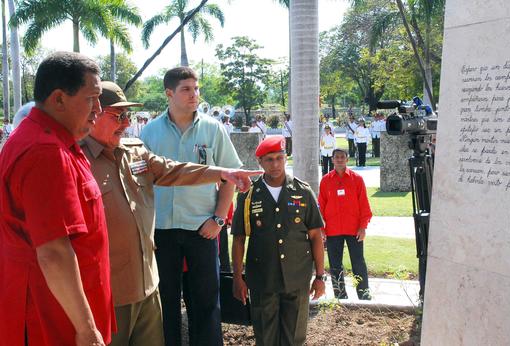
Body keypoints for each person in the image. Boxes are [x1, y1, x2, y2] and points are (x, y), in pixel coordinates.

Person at [81, 81, 260, 346]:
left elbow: (174, 170)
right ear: (93, 114)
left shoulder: (133, 151)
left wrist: (221, 173)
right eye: (119, 116)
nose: (127, 123)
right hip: (111, 291)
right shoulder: (76, 159)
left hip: (147, 285)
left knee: (199, 308)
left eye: (128, 116)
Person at [0, 51, 115, 345]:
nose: (98, 109)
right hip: (53, 322)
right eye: (91, 98)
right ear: (59, 99)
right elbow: (53, 254)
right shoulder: (45, 152)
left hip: (60, 313)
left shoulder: (52, 140)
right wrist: (87, 330)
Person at [140, 66, 243, 346]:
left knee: (206, 303)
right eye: (186, 89)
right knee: (165, 303)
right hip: (162, 232)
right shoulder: (149, 133)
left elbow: (230, 178)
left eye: (196, 89)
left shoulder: (213, 129)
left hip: (204, 229)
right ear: (169, 93)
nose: (194, 94)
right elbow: (140, 185)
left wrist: (219, 219)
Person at [231, 135, 326, 346]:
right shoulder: (248, 195)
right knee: (265, 338)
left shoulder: (303, 192)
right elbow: (238, 240)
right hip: (263, 279)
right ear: (260, 163)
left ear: (285, 158)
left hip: (297, 278)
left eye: (279, 158)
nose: (275, 164)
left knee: (294, 338)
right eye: (269, 159)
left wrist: (320, 276)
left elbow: (315, 237)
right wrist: (238, 278)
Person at [319, 148, 372, 300]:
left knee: (358, 263)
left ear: (347, 159)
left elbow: (364, 205)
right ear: (332, 159)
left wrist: (363, 227)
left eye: (343, 157)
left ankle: (364, 295)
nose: (340, 160)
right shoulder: (326, 180)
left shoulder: (357, 179)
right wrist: (322, 229)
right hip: (333, 230)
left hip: (354, 229)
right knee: (335, 266)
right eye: (337, 157)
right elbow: (320, 207)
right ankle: (340, 296)